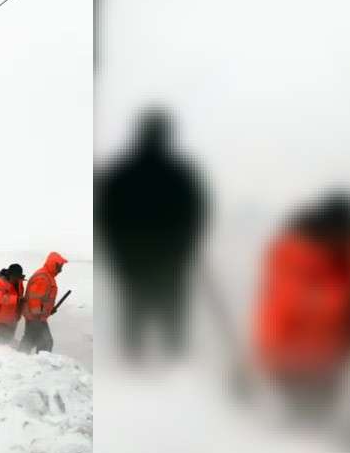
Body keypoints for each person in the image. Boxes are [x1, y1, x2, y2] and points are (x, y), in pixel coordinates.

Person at [96, 107, 209, 361]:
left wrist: (119, 255)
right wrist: (184, 250)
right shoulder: (178, 175)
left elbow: (107, 219)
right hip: (168, 260)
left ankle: (135, 362)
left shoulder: (123, 175)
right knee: (169, 317)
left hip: (136, 260)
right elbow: (194, 217)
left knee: (136, 316)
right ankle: (172, 362)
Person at [252, 191, 350, 423]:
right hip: (294, 363)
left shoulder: (344, 257)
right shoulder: (298, 254)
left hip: (328, 363)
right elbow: (292, 304)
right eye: (347, 233)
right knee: (304, 427)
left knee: (317, 424)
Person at [20, 252, 68, 353]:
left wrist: (49, 310)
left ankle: (20, 356)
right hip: (35, 317)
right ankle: (40, 360)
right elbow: (35, 299)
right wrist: (38, 316)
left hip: (35, 316)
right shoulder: (43, 278)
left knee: (30, 339)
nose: (61, 270)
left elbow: (43, 299)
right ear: (53, 264)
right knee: (46, 342)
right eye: (59, 267)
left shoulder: (47, 276)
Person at [0, 264, 25, 343]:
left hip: (11, 319)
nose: (15, 279)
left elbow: (20, 299)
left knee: (7, 340)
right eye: (14, 277)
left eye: (17, 277)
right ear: (9, 274)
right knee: (6, 339)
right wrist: (16, 299)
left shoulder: (19, 283)